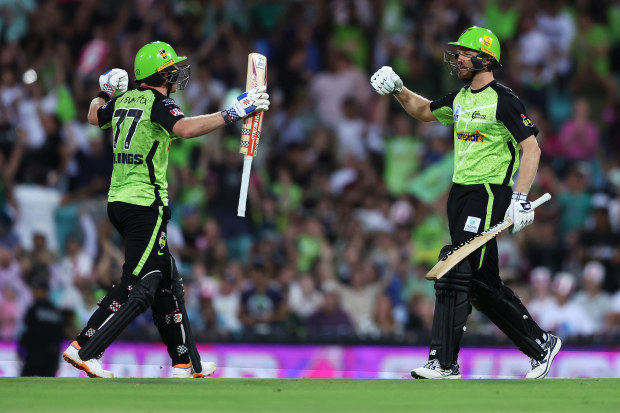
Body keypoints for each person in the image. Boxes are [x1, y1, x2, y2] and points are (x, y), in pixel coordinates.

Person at [62, 41, 270, 378]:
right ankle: (85, 348)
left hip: (118, 201)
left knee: (166, 281)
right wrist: (234, 111)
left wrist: (104, 91)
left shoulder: (122, 100)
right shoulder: (159, 101)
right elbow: (186, 129)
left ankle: (186, 363)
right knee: (138, 284)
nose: (176, 75)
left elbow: (91, 114)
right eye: (171, 70)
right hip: (145, 203)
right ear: (158, 75)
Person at [370, 26, 561, 379]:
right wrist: (398, 90)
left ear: (485, 59)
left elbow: (531, 147)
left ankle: (443, 362)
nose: (457, 58)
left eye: (464, 53)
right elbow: (425, 110)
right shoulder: (460, 99)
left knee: (454, 265)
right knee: (477, 282)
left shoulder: (503, 99)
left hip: (488, 193)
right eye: (457, 52)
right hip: (460, 195)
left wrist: (519, 198)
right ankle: (540, 344)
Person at [18, 278, 63, 377]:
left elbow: (26, 332)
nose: (33, 293)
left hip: (34, 355)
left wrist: (21, 348)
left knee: (24, 384)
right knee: (48, 388)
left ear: (45, 291)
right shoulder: (56, 311)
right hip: (51, 357)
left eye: (36, 290)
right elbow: (59, 336)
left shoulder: (33, 309)